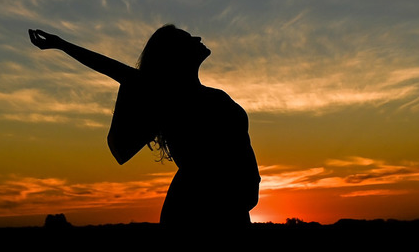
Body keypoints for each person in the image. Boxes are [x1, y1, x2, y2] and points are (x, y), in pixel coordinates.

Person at [29, 24, 259, 226]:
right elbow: (110, 68)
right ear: (174, 55)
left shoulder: (214, 96)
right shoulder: (170, 98)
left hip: (231, 211)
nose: (197, 38)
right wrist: (62, 45)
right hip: (198, 208)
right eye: (188, 38)